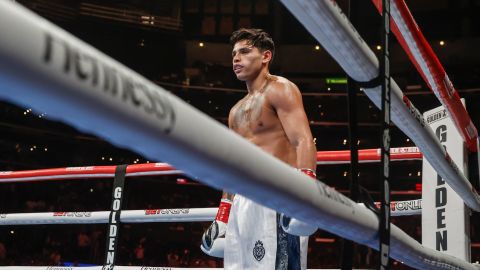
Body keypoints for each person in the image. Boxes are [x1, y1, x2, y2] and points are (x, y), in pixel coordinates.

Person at [201, 28, 317, 270]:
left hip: (278, 195)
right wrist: (223, 215)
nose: (236, 58)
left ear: (266, 56)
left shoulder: (280, 89)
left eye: (244, 51)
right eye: (234, 53)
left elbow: (303, 140)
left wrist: (306, 193)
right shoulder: (235, 111)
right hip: (243, 201)